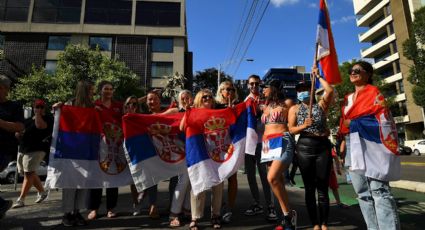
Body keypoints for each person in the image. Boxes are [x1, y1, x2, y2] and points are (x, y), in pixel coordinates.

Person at [339, 61, 400, 230]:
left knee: (379, 190)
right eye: (352, 70)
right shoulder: (347, 99)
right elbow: (344, 124)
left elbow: (384, 121)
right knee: (362, 192)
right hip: (352, 142)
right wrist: (343, 141)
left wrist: (354, 122)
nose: (353, 72)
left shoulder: (374, 93)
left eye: (358, 70)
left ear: (368, 74)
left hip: (373, 142)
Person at [288, 67, 334, 230]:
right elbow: (291, 129)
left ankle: (324, 223)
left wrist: (318, 76)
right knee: (309, 187)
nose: (302, 92)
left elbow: (329, 90)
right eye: (299, 90)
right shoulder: (294, 108)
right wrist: (303, 126)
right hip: (305, 147)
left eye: (305, 89)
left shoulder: (321, 105)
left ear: (312, 90)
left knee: (322, 186)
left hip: (322, 146)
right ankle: (315, 223)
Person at [180, 89, 224, 230]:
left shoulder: (218, 112)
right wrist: (187, 112)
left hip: (216, 154)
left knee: (218, 185)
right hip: (199, 154)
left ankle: (215, 215)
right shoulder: (192, 111)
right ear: (199, 99)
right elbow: (182, 127)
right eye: (204, 97)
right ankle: (195, 217)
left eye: (210, 97)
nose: (207, 99)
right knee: (198, 185)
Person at [53, 80, 95, 226]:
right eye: (90, 90)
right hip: (70, 152)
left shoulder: (93, 107)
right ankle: (67, 214)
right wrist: (57, 110)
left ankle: (77, 212)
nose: (93, 93)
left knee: (82, 183)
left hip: (86, 151)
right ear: (84, 91)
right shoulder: (69, 105)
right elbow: (59, 120)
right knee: (69, 184)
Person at [260, 79, 296, 230]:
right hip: (268, 145)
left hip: (283, 139)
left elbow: (293, 124)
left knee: (272, 178)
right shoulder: (265, 106)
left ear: (273, 88)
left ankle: (288, 216)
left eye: (265, 87)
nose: (263, 90)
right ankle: (287, 218)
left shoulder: (287, 103)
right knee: (278, 182)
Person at [243, 75, 277, 221]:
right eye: (251, 84)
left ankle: (271, 205)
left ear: (260, 84)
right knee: (251, 175)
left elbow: (274, 117)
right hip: (249, 143)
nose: (254, 86)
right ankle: (257, 203)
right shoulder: (245, 101)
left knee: (265, 175)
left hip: (263, 143)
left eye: (257, 83)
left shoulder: (267, 100)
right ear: (247, 85)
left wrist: (264, 108)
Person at [87, 81, 122, 220]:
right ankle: (94, 209)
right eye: (106, 89)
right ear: (100, 91)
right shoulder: (94, 105)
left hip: (114, 146)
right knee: (96, 177)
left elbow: (132, 105)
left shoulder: (118, 106)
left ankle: (111, 208)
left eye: (110, 89)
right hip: (98, 145)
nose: (108, 91)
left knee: (113, 176)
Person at [12, 99, 53, 209]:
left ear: (44, 108)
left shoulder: (48, 118)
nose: (38, 109)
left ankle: (21, 199)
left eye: (41, 107)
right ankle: (42, 192)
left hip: (36, 149)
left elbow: (40, 126)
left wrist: (38, 115)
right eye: (36, 107)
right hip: (23, 148)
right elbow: (20, 131)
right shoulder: (28, 120)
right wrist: (18, 134)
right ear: (33, 107)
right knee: (26, 172)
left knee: (29, 173)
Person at [163, 90, 192, 227]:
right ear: (179, 99)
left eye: (188, 97)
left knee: (191, 181)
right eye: (183, 97)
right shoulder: (175, 110)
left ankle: (187, 210)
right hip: (178, 149)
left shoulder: (195, 110)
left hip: (193, 149)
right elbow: (158, 117)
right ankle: (174, 213)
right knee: (183, 180)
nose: (185, 99)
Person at [215, 80, 239, 224]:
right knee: (217, 179)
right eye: (225, 89)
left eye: (231, 89)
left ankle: (229, 208)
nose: (228, 92)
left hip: (233, 146)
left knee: (232, 178)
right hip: (217, 146)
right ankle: (217, 209)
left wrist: (233, 112)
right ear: (220, 91)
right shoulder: (215, 106)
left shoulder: (239, 106)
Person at [0, 75, 24, 218]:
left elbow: (20, 127)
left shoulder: (14, 106)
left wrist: (1, 123)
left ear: (6, 89)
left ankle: (1, 204)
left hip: (3, 150)